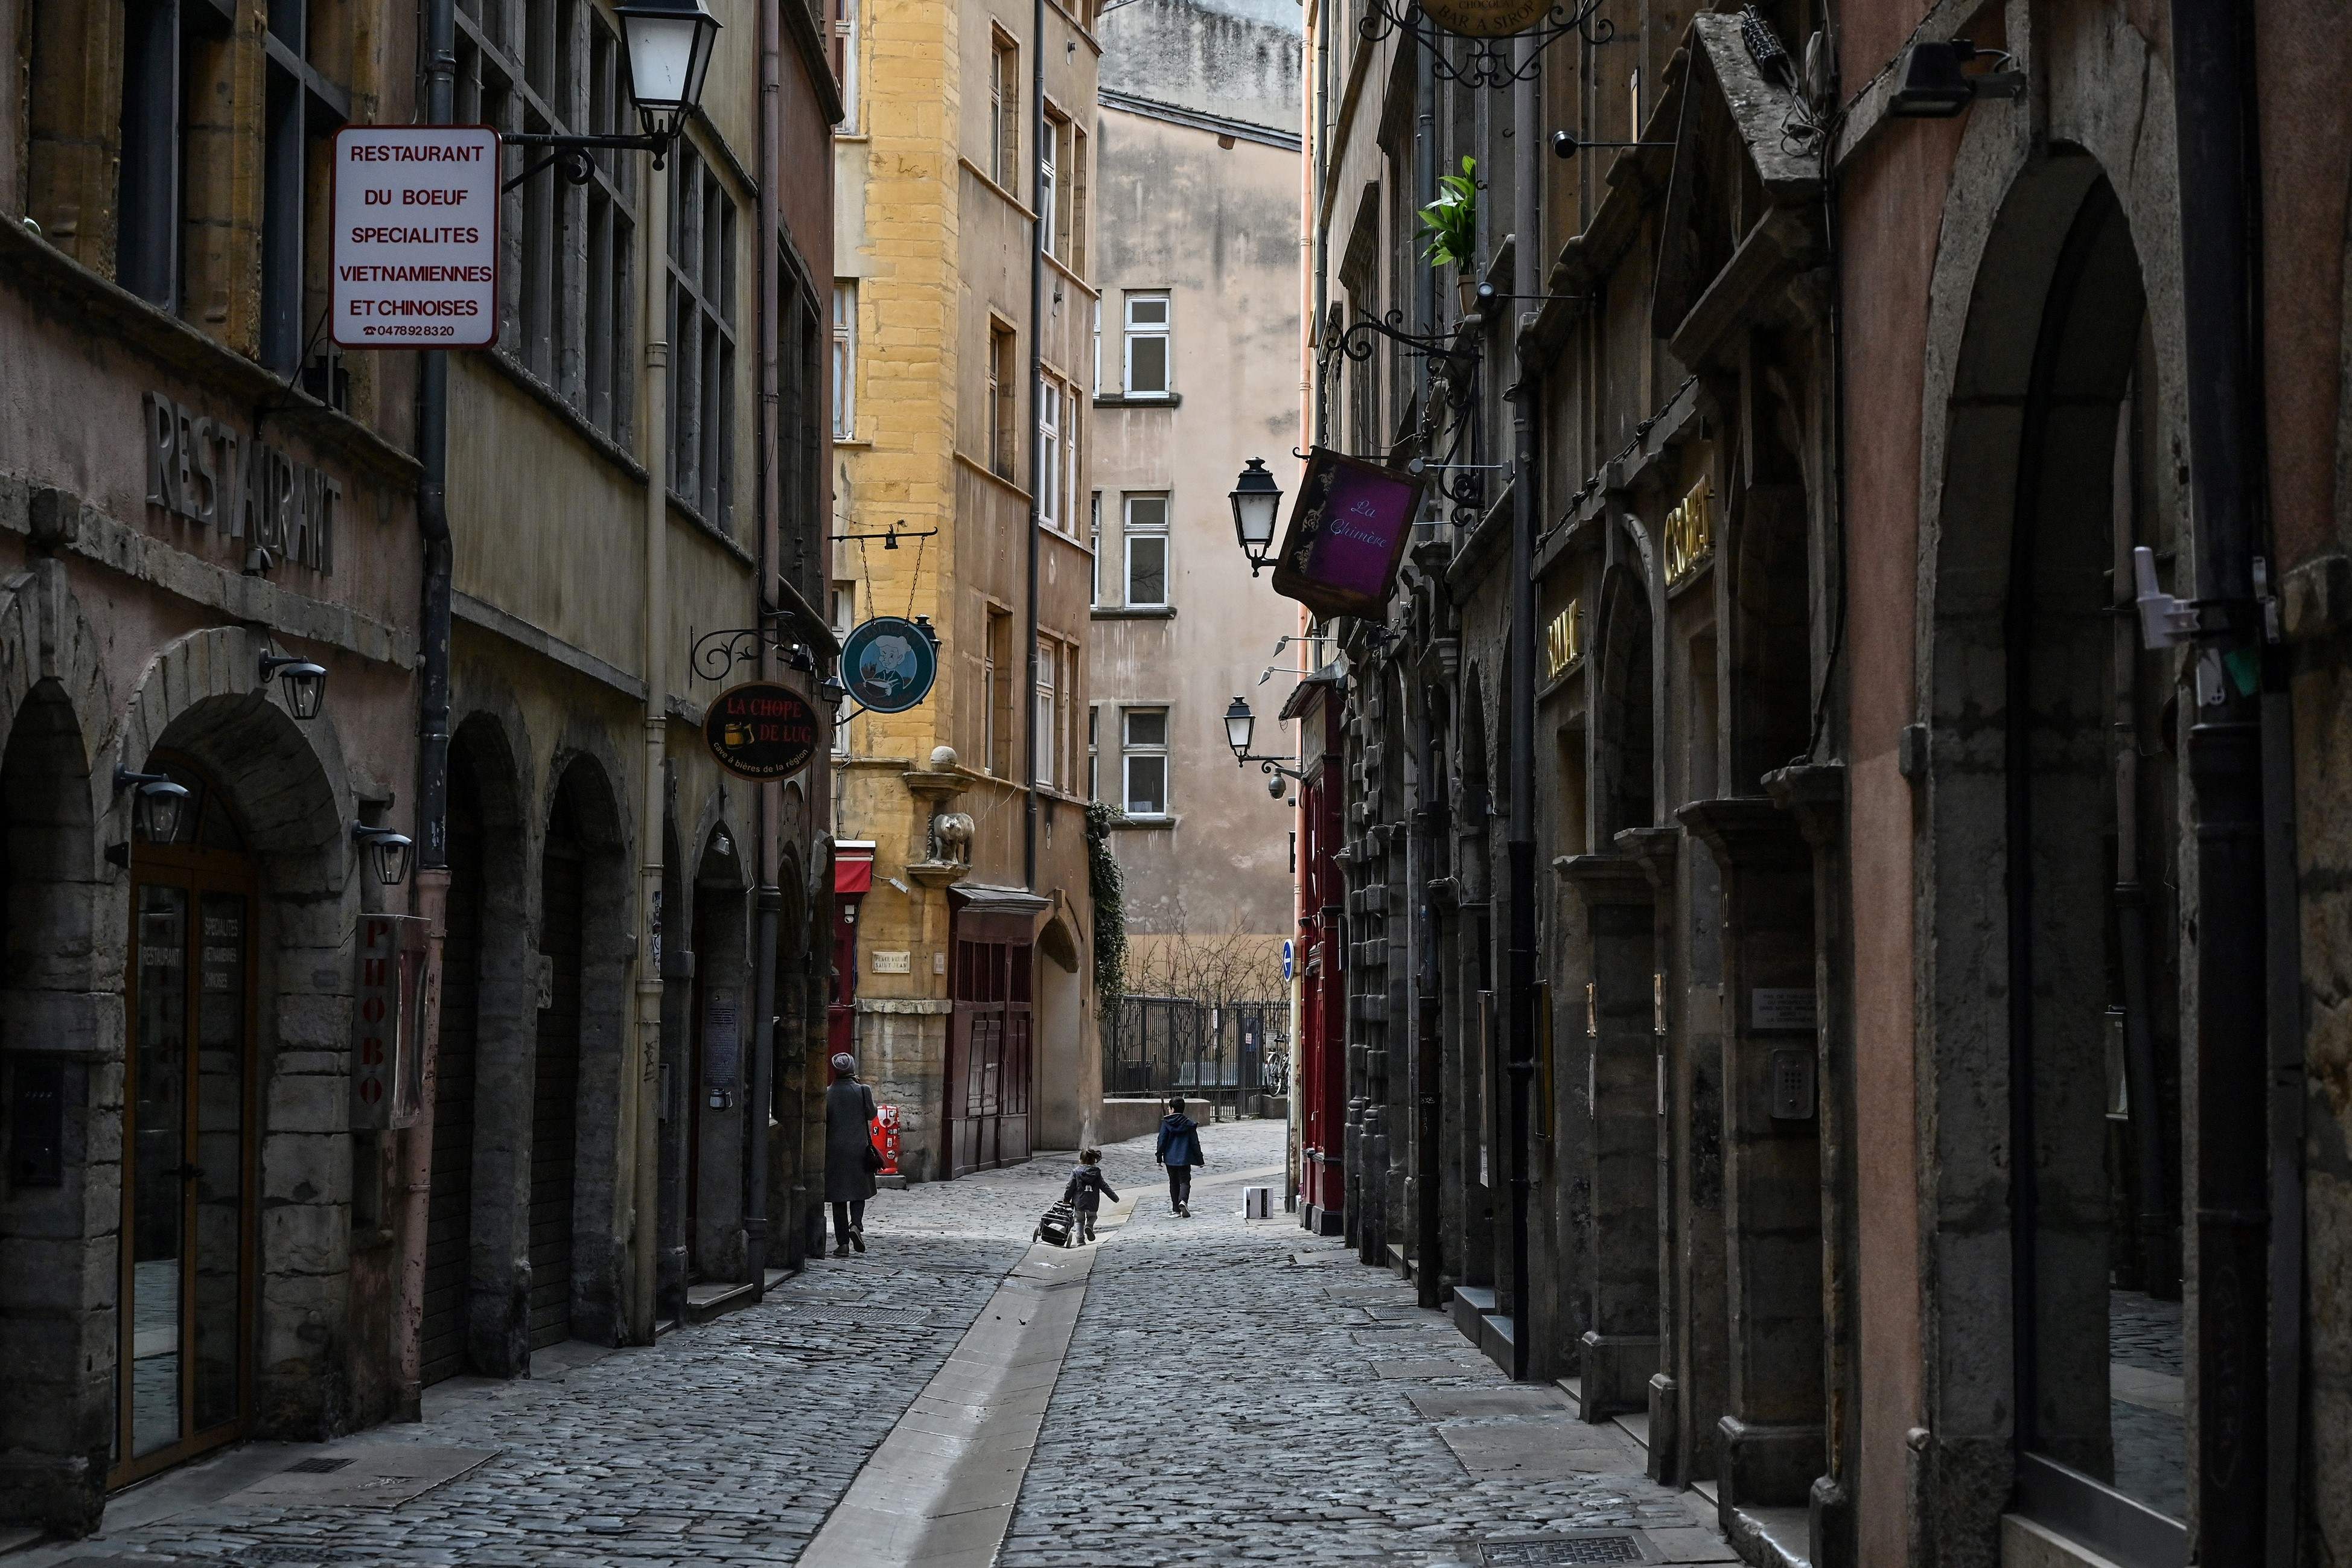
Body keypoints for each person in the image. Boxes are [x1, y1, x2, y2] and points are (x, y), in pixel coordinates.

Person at [824, 1052, 879, 1257]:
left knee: (839, 1199)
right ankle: (856, 1225)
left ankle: (843, 1245)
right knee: (859, 1192)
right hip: (859, 1150)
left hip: (835, 1152)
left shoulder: (827, 1093)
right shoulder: (863, 1091)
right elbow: (872, 1114)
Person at [1155, 1097, 1206, 1217]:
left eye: (1169, 1108)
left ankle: (1175, 1210)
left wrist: (1159, 1157)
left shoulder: (1166, 1123)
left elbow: (1161, 1140)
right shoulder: (1189, 1124)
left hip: (1170, 1159)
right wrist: (1200, 1160)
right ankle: (1183, 1201)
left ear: (1172, 1109)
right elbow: (1195, 1143)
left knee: (1173, 1183)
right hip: (1184, 1158)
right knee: (1185, 1181)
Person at [1063, 1148, 1118, 1242]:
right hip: (1092, 1203)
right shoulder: (1097, 1173)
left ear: (1080, 1160)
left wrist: (1066, 1199)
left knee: (1079, 1221)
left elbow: (1070, 1187)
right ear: (1094, 1161)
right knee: (1093, 1217)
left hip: (1079, 1203)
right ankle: (1089, 1226)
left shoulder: (1076, 1172)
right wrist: (1114, 1197)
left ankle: (1080, 1239)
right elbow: (1104, 1186)